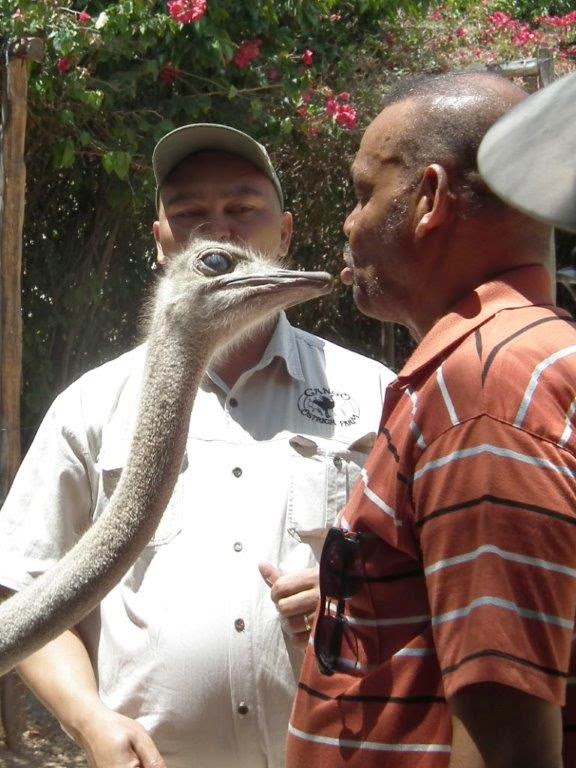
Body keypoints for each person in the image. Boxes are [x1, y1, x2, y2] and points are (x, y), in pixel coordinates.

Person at [0, 124, 394, 768]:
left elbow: (439, 575)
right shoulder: (92, 405)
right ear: (160, 244)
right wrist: (90, 721)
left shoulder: (374, 394)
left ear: (285, 234)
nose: (218, 229)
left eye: (243, 209)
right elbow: (19, 580)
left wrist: (363, 598)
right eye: (189, 215)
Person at [287, 72, 576, 768]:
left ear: (429, 199)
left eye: (363, 194)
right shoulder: (521, 362)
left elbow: (507, 727)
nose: (349, 224)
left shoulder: (481, 390)